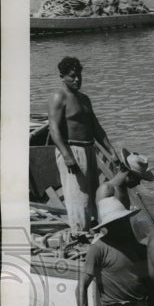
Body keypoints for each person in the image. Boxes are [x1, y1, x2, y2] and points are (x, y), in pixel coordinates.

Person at [47, 56, 118, 235]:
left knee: (93, 194)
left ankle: (93, 230)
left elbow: (96, 128)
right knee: (78, 197)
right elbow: (53, 130)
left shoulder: (85, 99)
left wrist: (111, 151)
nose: (77, 79)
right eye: (72, 76)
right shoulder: (59, 97)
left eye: (79, 75)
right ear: (62, 76)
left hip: (89, 149)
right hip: (72, 150)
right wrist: (67, 155)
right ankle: (80, 234)